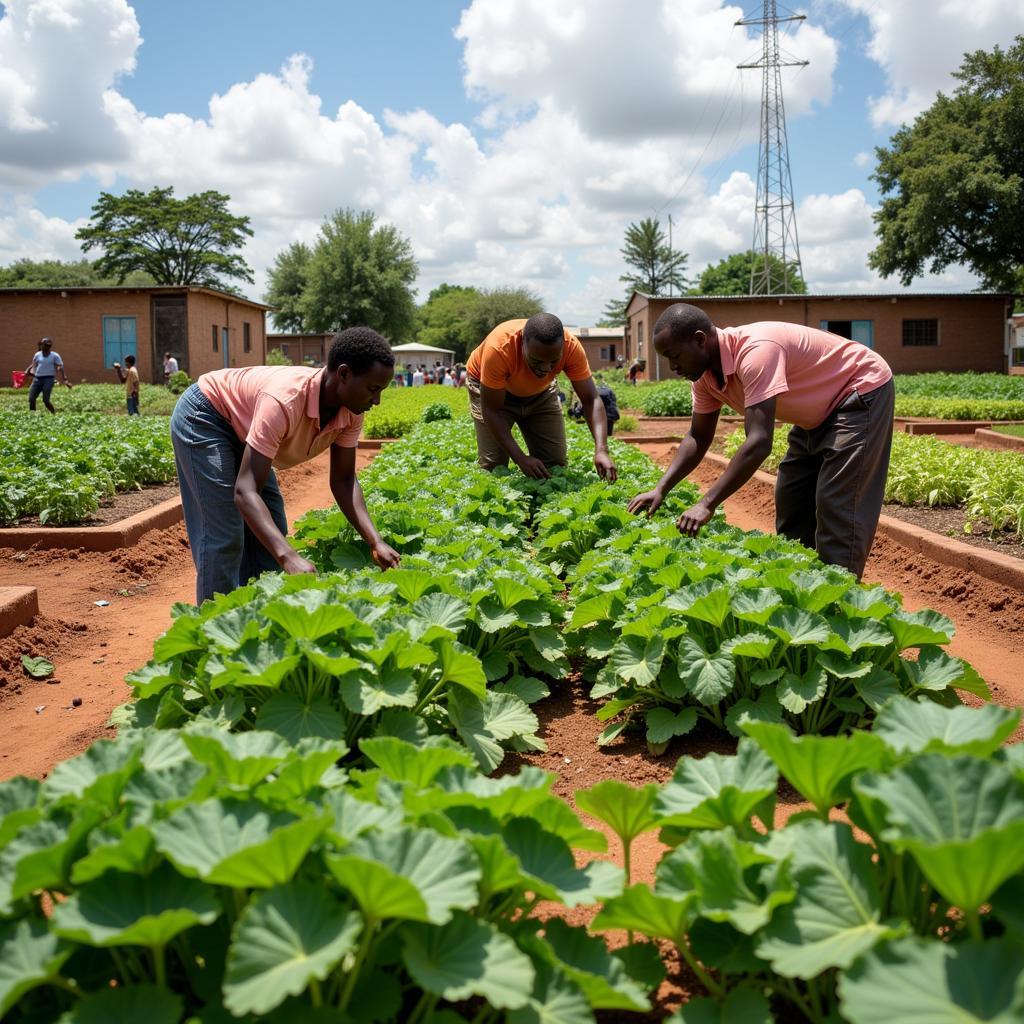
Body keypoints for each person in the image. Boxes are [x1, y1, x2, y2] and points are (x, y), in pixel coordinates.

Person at [627, 303, 894, 578]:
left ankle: (840, 594)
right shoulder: (704, 379)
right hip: (816, 410)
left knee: (837, 502)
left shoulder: (756, 352)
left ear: (699, 340)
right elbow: (698, 436)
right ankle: (800, 586)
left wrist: (706, 503)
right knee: (792, 496)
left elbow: (759, 442)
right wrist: (661, 488)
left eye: (674, 356)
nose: (673, 367)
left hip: (858, 389)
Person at [169, 326, 401, 605]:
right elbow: (245, 491)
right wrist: (289, 557)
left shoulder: (351, 412)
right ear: (343, 374)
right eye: (373, 389)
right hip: (207, 415)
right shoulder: (285, 400)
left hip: (247, 425)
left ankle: (258, 619)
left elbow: (344, 481)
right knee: (225, 533)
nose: (376, 400)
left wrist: (375, 541)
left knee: (273, 526)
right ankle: (214, 629)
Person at [466, 313, 617, 481]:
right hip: (492, 393)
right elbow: (492, 410)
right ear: (522, 343)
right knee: (494, 467)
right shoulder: (500, 348)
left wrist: (602, 450)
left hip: (541, 394)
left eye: (553, 361)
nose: (545, 368)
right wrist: (520, 458)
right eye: (536, 360)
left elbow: (591, 399)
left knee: (554, 466)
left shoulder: (571, 347)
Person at [25, 337, 72, 413]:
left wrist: (65, 380)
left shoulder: (55, 356)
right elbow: (34, 364)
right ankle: (32, 415)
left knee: (46, 400)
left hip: (49, 379)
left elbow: (61, 366)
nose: (47, 347)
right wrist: (29, 370)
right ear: (41, 345)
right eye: (45, 345)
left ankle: (53, 414)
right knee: (31, 399)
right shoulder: (37, 355)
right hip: (37, 379)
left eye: (48, 345)